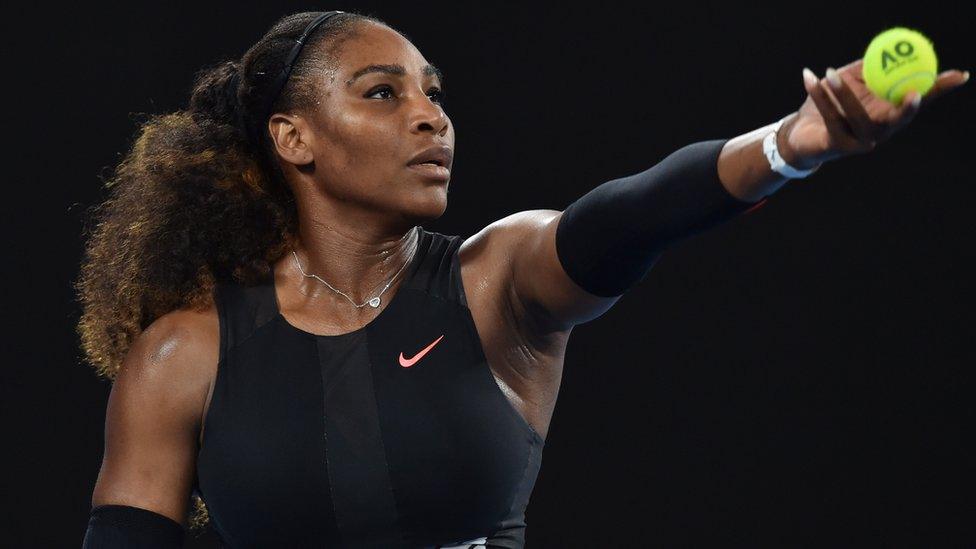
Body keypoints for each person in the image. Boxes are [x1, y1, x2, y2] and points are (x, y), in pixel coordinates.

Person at [75, 9, 967, 549]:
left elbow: (628, 216)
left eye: (434, 91)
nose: (432, 116)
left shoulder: (495, 280)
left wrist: (789, 146)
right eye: (384, 93)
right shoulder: (184, 353)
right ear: (293, 137)